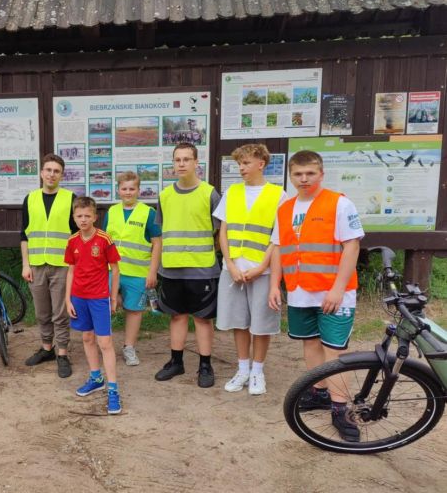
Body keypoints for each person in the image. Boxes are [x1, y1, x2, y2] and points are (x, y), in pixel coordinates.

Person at [268, 150, 363, 441]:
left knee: (334, 350)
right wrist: (274, 285)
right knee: (310, 343)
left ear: (321, 174)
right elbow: (278, 248)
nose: (304, 179)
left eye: (310, 173)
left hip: (333, 292)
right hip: (299, 291)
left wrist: (337, 288)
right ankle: (319, 391)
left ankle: (340, 409)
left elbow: (352, 246)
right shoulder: (285, 209)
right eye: (298, 174)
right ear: (291, 176)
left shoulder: (339, 203)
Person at [214, 144, 286, 395]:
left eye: (245, 163)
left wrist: (262, 267)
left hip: (262, 272)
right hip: (233, 270)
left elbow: (277, 238)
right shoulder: (232, 192)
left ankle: (257, 371)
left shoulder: (278, 195)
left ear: (261, 164)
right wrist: (230, 264)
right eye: (239, 164)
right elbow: (223, 232)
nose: (241, 168)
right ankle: (243, 369)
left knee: (261, 324)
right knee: (239, 322)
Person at [155, 142, 221, 387]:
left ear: (196, 163)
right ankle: (176, 362)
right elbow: (162, 232)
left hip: (202, 268)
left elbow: (220, 232)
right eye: (177, 159)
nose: (181, 164)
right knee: (177, 317)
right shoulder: (165, 195)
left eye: (186, 159)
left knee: (203, 319)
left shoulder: (209, 193)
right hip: (172, 268)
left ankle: (205, 365)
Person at [21, 154, 78, 378]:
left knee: (60, 313)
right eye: (48, 170)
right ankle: (47, 349)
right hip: (36, 265)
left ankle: (62, 353)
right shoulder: (30, 199)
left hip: (62, 266)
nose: (51, 174)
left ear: (62, 175)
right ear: (41, 173)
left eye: (56, 171)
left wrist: (75, 266)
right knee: (42, 312)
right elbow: (24, 235)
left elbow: (77, 235)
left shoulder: (70, 199)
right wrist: (25, 264)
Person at [65, 197, 122, 414]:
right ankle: (96, 378)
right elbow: (71, 271)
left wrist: (113, 297)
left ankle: (113, 390)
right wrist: (68, 299)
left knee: (105, 342)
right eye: (79, 216)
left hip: (99, 298)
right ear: (74, 217)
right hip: (79, 297)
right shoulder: (72, 241)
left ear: (95, 217)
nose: (83, 219)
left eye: (87, 215)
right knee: (87, 338)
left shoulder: (104, 239)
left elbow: (115, 269)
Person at [103, 171, 162, 366]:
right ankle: (104, 345)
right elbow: (103, 241)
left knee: (134, 310)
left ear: (139, 190)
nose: (128, 192)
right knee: (104, 305)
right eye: (124, 188)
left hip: (137, 273)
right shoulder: (111, 212)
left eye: (132, 188)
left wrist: (152, 272)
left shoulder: (148, 213)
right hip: (111, 271)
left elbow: (157, 243)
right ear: (118, 190)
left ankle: (129, 347)